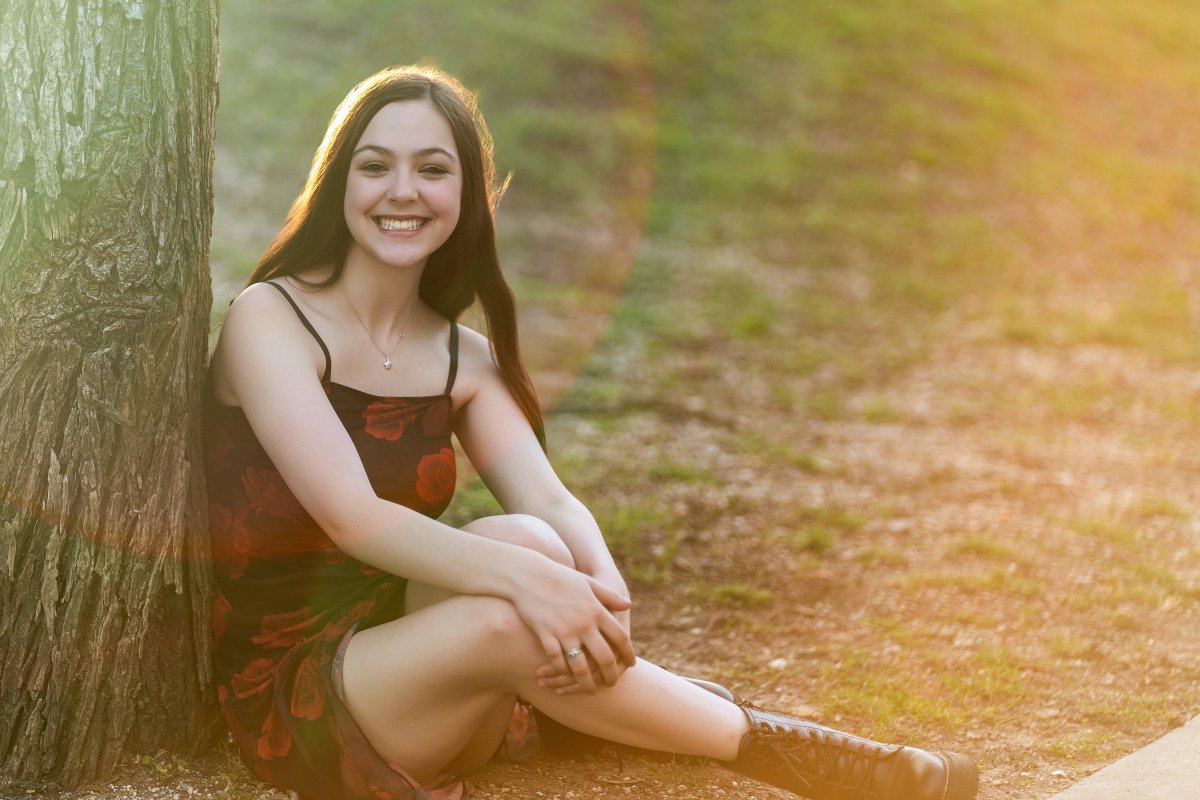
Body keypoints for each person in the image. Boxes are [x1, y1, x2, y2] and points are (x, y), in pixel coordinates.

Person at [204, 64, 979, 800]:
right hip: (301, 690)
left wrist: (604, 587)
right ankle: (800, 753)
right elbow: (354, 516)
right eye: (376, 166)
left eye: (433, 170)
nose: (402, 191)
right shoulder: (270, 319)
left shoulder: (462, 361)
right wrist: (537, 588)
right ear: (340, 180)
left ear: (467, 194)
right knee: (516, 593)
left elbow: (551, 499)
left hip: (432, 673)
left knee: (535, 540)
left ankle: (581, 705)